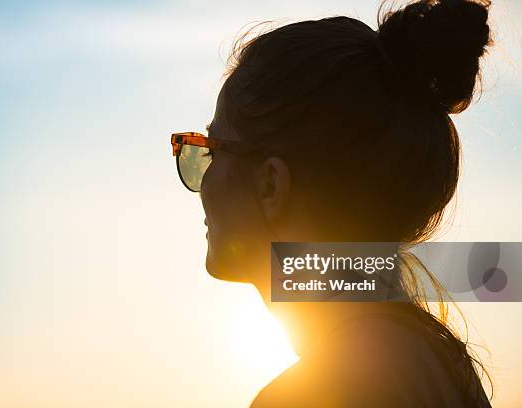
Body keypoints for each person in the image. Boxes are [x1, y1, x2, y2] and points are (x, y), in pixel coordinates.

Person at [170, 0, 493, 406]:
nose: (204, 184)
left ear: (271, 184)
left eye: (212, 151)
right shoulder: (443, 368)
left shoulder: (313, 393)